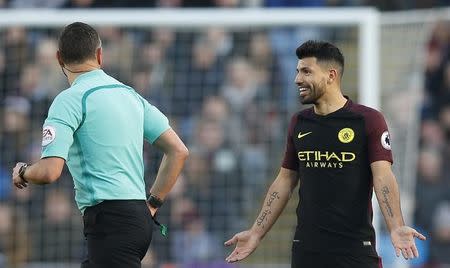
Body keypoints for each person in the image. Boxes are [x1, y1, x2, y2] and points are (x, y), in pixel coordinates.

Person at [224, 40, 426, 268]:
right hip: (306, 250)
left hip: (354, 249)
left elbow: (382, 177)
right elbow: (285, 181)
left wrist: (396, 226)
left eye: (306, 71)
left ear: (331, 75)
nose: (297, 79)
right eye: (298, 71)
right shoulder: (299, 122)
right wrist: (256, 232)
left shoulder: (367, 120)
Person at [11, 22, 189, 268]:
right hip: (137, 218)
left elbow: (49, 171)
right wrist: (153, 204)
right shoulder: (130, 95)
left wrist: (22, 171)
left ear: (59, 58)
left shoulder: (69, 100)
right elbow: (178, 151)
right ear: (99, 55)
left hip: (110, 221)